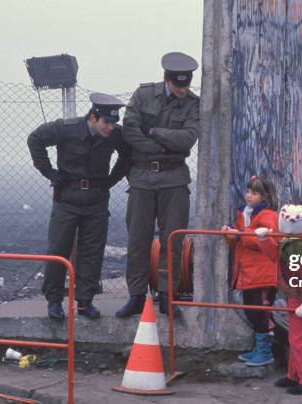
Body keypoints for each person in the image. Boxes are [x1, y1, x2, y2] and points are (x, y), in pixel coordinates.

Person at [27, 93, 131, 321]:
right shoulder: (66, 128)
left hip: (96, 200)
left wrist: (110, 180)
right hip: (67, 199)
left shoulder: (115, 135)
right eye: (106, 122)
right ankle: (54, 301)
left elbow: (127, 156)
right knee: (58, 249)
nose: (110, 127)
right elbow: (35, 139)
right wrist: (49, 172)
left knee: (92, 251)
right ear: (92, 117)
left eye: (113, 123)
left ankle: (85, 301)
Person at [115, 52, 200, 317]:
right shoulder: (143, 95)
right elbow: (129, 129)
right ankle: (136, 296)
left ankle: (167, 295)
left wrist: (152, 131)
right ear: (166, 79)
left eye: (186, 85)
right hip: (141, 178)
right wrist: (160, 145)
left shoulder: (193, 104)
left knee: (172, 241)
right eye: (178, 86)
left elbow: (187, 139)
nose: (183, 90)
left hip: (174, 179)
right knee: (138, 240)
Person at [255, 204, 302, 395]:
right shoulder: (292, 242)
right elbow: (275, 255)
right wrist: (264, 239)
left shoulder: (301, 248)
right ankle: (294, 375)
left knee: (298, 340)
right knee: (295, 339)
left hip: (300, 297)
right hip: (295, 294)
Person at [222, 175, 279, 367]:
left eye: (254, 193)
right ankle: (259, 348)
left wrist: (239, 235)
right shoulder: (246, 214)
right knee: (252, 312)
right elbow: (239, 239)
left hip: (262, 275)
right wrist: (229, 234)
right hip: (250, 274)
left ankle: (265, 352)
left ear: (265, 196)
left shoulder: (268, 216)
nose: (248, 195)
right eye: (248, 191)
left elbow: (261, 240)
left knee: (261, 313)